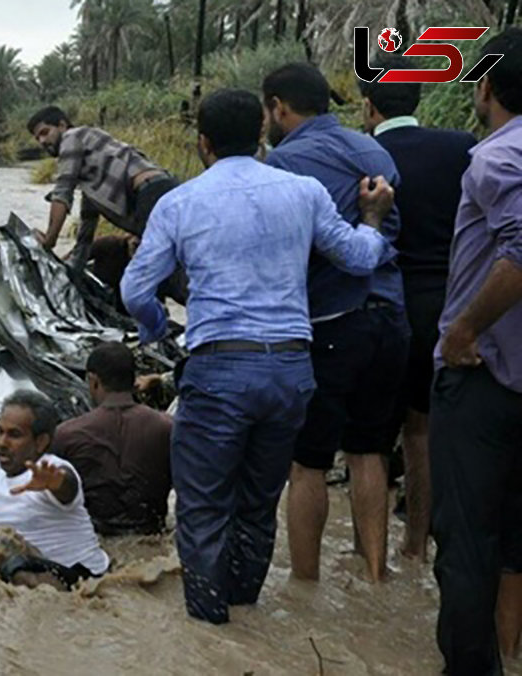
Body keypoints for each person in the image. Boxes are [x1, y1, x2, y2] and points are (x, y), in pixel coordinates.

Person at [121, 88, 396, 624]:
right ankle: (245, 610)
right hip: (291, 370)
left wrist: (158, 331)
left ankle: (209, 630)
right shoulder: (304, 191)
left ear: (202, 143)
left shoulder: (180, 202)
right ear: (264, 134)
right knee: (256, 502)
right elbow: (362, 258)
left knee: (202, 508)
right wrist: (373, 217)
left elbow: (136, 291)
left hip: (219, 369)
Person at [263, 62, 409, 584]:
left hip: (331, 320)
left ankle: (306, 585)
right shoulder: (374, 150)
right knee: (369, 451)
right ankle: (376, 575)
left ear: (279, 107)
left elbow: (289, 247)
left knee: (309, 462)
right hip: (391, 316)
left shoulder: (284, 162)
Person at [428, 27, 522, 675]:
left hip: (483, 376)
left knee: (466, 542)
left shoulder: (495, 159)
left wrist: (463, 329)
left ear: (484, 85)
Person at [359, 55, 478, 561]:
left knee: (368, 440)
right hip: (451, 303)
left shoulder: (362, 152)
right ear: (420, 99)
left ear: (368, 106)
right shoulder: (462, 147)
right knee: (422, 430)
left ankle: (371, 560)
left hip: (382, 303)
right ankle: (415, 549)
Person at [0, 391, 110, 591]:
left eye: (14, 435)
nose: (1, 443)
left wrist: (54, 482)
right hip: (34, 567)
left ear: (40, 442)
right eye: (0, 432)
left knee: (11, 567)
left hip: (84, 576)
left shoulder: (51, 470)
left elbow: (67, 487)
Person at [26, 106, 186, 303]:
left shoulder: (72, 137)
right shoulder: (92, 184)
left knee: (163, 275)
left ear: (62, 125)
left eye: (44, 132)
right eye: (37, 138)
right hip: (165, 194)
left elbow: (62, 192)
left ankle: (214, 322)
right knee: (174, 269)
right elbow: (84, 239)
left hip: (153, 194)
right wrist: (65, 274)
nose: (42, 141)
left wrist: (49, 240)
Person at [51, 341, 172, 535]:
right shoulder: (167, 428)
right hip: (153, 534)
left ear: (93, 381)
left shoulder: (65, 435)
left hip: (97, 544)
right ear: (134, 379)